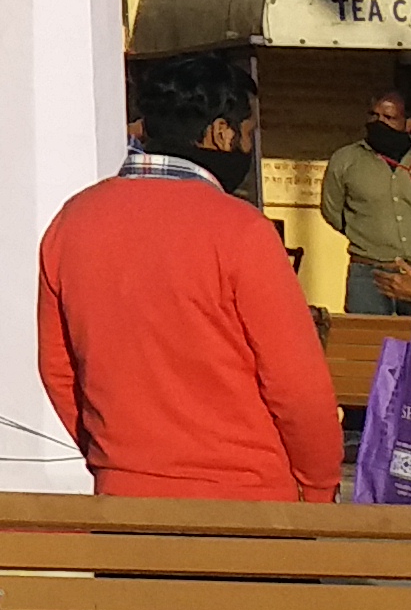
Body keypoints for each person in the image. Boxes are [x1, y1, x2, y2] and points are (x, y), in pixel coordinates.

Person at [29, 49, 338, 502]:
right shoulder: (243, 231)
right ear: (220, 134)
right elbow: (297, 388)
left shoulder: (73, 221)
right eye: (248, 133)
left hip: (126, 497)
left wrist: (112, 457)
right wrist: (318, 487)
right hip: (249, 504)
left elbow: (58, 369)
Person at [323, 90, 411, 314]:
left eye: (389, 118)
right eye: (374, 116)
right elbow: (332, 211)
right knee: (367, 343)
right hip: (369, 274)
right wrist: (369, 234)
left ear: (408, 124)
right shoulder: (345, 160)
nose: (379, 123)